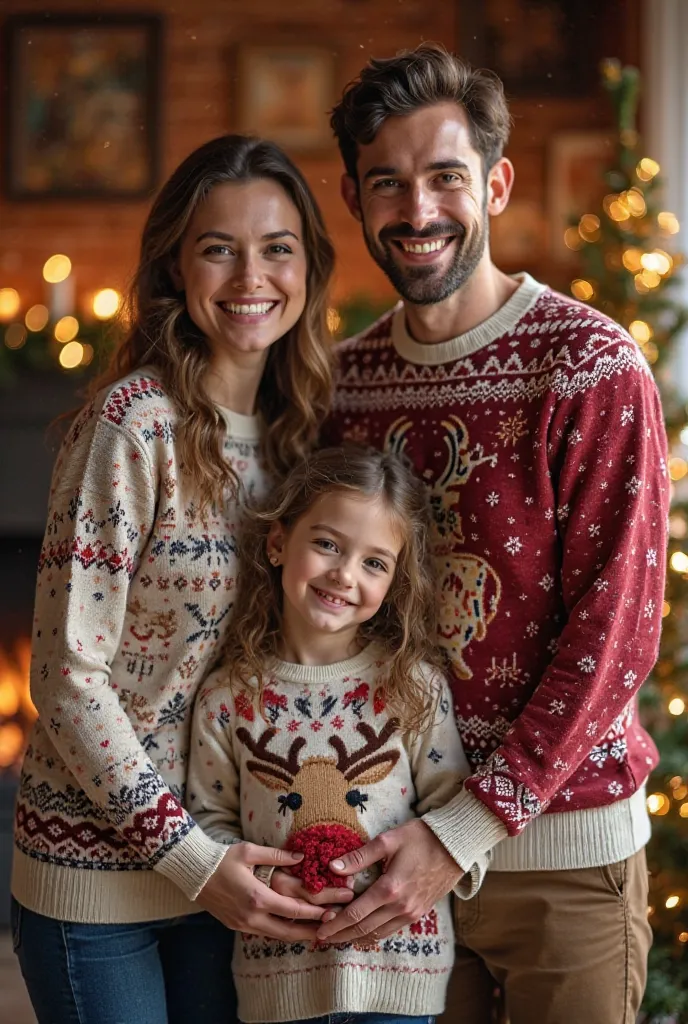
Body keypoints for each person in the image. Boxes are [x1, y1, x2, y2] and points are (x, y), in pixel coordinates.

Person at [319, 43, 669, 1024]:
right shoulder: (344, 383)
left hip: (561, 861)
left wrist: (467, 826)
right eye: (387, 183)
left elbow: (616, 634)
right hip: (390, 858)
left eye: (444, 177)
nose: (417, 210)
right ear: (353, 197)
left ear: (496, 181)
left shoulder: (588, 366)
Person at [11, 134, 338, 1024]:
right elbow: (64, 675)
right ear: (174, 267)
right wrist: (187, 855)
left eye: (277, 247)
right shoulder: (133, 426)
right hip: (101, 879)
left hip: (233, 869)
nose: (249, 276)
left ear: (308, 266)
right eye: (217, 248)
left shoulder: (299, 432)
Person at [186, 445, 487, 1024]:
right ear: (278, 544)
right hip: (278, 983)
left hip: (400, 981)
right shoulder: (228, 696)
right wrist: (267, 878)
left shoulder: (413, 686)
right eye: (327, 543)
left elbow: (453, 815)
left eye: (375, 562)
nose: (344, 574)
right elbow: (209, 820)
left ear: (396, 579)